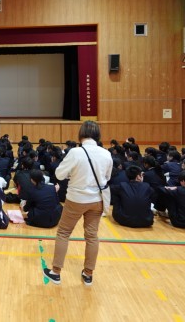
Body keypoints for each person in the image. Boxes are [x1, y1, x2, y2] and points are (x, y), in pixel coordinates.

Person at [44, 121, 112, 287]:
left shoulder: (75, 152)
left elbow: (59, 174)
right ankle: (88, 274)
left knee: (63, 233)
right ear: (98, 135)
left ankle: (56, 272)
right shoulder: (106, 154)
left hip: (76, 199)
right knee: (92, 236)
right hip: (97, 200)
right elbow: (107, 177)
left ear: (81, 134)